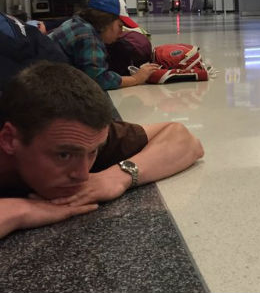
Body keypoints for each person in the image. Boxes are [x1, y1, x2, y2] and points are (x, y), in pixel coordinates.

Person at [0, 61, 205, 239]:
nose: (83, 175)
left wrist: (117, 177)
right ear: (9, 140)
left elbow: (183, 140)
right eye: (64, 155)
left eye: (93, 152)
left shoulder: (79, 135)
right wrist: (18, 211)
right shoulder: (51, 128)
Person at [49, 0, 160, 89]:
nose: (121, 33)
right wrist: (136, 78)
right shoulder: (88, 36)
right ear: (105, 20)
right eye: (120, 26)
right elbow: (98, 79)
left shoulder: (77, 24)